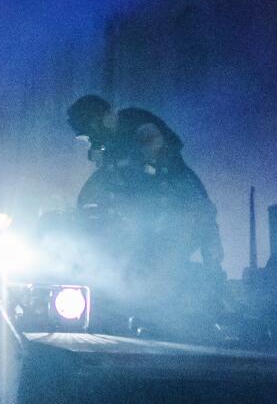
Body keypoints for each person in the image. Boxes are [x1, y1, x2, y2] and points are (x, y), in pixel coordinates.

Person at [73, 105, 224, 279]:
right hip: (145, 213)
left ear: (105, 118)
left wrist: (111, 158)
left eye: (92, 131)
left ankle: (213, 278)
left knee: (201, 217)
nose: (93, 140)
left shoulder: (135, 121)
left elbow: (153, 147)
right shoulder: (112, 160)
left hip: (175, 193)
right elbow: (89, 198)